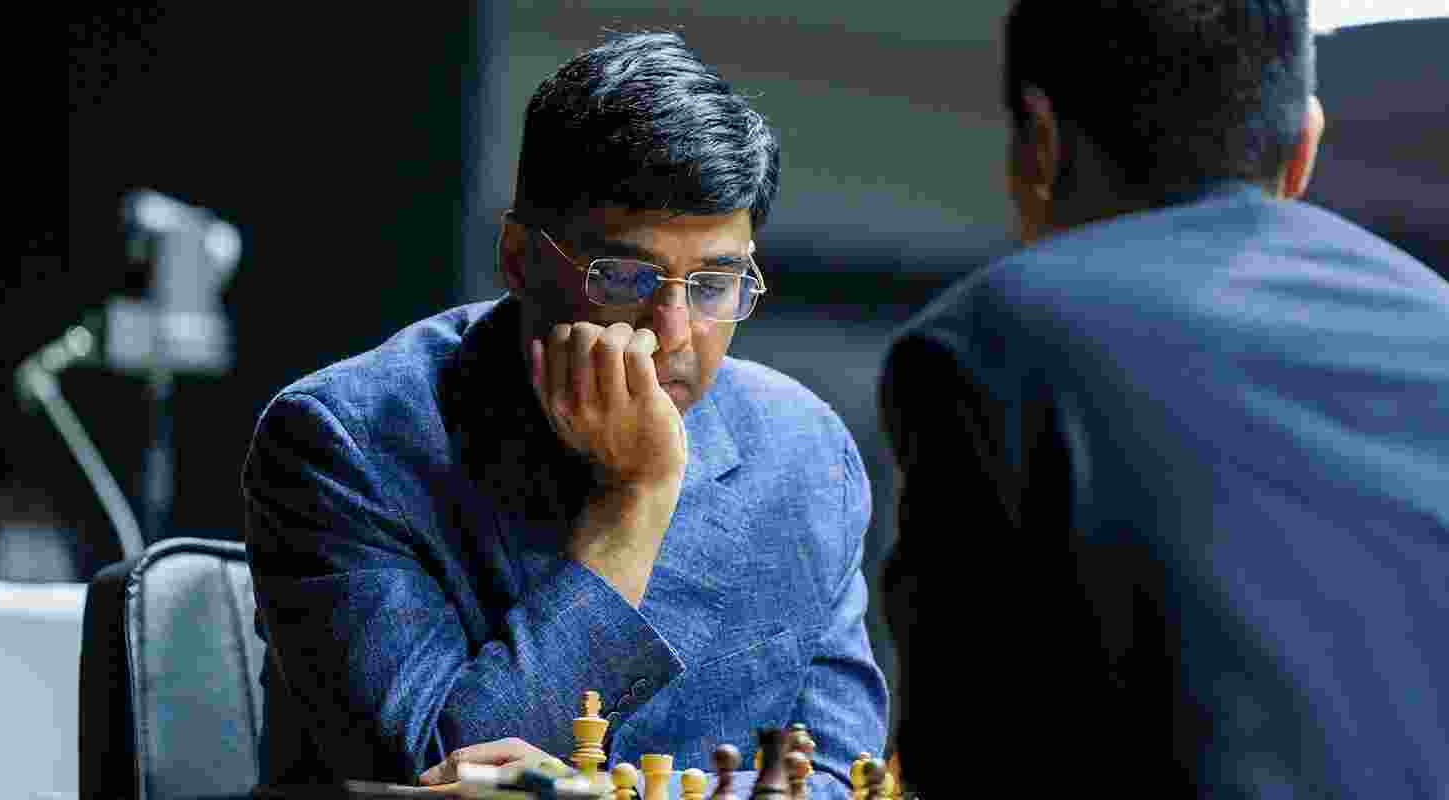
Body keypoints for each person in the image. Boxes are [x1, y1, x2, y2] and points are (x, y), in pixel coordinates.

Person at [241, 30, 888, 796]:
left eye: (715, 284)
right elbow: (434, 775)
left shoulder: (804, 455)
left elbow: (845, 779)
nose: (672, 332)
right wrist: (634, 501)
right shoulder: (344, 443)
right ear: (519, 258)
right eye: (623, 276)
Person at [878, 1, 1449, 796]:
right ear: (1304, 146)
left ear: (1041, 141)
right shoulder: (1438, 324)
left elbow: (960, 752)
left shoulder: (991, 340)